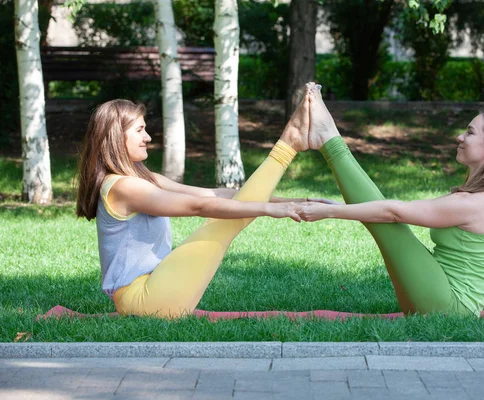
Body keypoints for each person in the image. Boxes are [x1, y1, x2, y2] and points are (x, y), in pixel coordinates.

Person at [76, 88, 315, 318]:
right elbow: (197, 207)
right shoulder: (123, 187)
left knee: (223, 217)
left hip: (150, 290)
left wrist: (295, 201)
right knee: (221, 225)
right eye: (140, 130)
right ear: (117, 136)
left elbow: (210, 195)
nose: (147, 137)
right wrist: (269, 209)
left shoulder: (143, 180)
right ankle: (289, 143)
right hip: (144, 300)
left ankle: (290, 142)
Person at [299, 83, 484, 316]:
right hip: (439, 297)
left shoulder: (475, 204)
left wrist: (329, 212)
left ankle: (327, 137)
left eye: (470, 132)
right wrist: (342, 207)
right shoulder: (473, 197)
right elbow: (394, 211)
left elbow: (395, 212)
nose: (460, 137)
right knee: (389, 218)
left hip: (451, 308)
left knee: (392, 221)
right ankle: (327, 138)